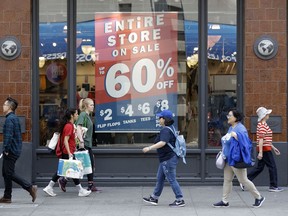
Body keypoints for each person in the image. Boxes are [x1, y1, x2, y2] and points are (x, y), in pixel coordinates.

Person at [213, 108, 265, 208]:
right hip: (228, 159)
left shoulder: (240, 128)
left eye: (230, 116)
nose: (227, 117)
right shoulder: (231, 127)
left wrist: (237, 136)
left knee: (243, 180)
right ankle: (224, 201)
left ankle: (259, 197)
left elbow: (246, 143)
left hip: (237, 159)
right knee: (227, 180)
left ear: (236, 118)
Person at [43, 108, 91, 197]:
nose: (77, 115)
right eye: (76, 114)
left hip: (68, 151)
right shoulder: (69, 126)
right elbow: (65, 140)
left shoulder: (69, 125)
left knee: (62, 171)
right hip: (67, 151)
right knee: (72, 170)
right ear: (72, 115)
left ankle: (49, 187)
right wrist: (69, 153)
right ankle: (80, 190)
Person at [142, 109, 185, 207]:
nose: (158, 119)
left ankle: (180, 199)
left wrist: (149, 148)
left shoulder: (166, 130)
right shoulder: (171, 128)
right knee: (160, 178)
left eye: (160, 117)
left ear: (165, 119)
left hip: (168, 159)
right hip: (166, 158)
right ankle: (154, 197)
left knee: (171, 179)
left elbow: (163, 143)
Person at [58, 98, 100, 192]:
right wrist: (81, 142)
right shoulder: (83, 115)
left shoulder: (88, 115)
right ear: (86, 106)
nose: (93, 106)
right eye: (91, 105)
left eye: (93, 105)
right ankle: (64, 180)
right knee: (82, 164)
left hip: (87, 143)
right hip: (83, 144)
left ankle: (88, 184)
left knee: (85, 164)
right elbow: (78, 127)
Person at [0, 97, 37, 203]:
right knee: (6, 173)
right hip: (14, 149)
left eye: (5, 105)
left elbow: (8, 136)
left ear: (10, 107)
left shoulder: (9, 119)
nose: (3, 106)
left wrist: (6, 149)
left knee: (9, 173)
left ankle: (29, 187)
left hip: (10, 150)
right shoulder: (13, 118)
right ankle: (7, 196)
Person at [241, 107, 283, 192]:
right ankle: (273, 186)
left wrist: (274, 148)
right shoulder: (262, 126)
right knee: (272, 167)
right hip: (265, 149)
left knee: (259, 168)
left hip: (265, 148)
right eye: (267, 114)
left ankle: (245, 181)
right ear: (264, 116)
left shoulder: (263, 125)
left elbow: (266, 139)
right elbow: (260, 139)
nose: (268, 115)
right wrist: (260, 152)